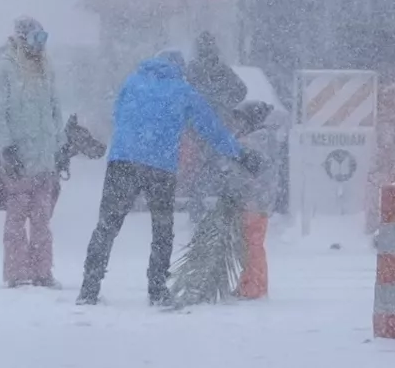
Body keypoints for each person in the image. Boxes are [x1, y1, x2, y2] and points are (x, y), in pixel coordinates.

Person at [76, 50, 261, 307]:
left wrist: (133, 141)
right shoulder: (182, 89)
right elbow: (210, 128)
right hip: (160, 166)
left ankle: (88, 288)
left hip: (122, 161)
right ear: (178, 68)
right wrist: (239, 154)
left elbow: (117, 114)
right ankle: (157, 289)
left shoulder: (132, 81)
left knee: (106, 226)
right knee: (162, 229)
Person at [0, 17, 67, 289]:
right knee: (16, 219)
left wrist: (60, 145)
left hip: (44, 158)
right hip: (19, 158)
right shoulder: (6, 69)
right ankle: (16, 272)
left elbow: (55, 110)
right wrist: (6, 147)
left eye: (43, 38)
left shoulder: (46, 68)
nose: (40, 45)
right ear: (22, 38)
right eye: (36, 38)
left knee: (42, 219)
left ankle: (42, 271)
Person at [183, 32, 247, 223]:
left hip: (196, 125)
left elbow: (184, 93)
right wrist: (224, 103)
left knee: (198, 164)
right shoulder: (221, 69)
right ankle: (223, 207)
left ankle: (197, 206)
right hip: (218, 123)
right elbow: (241, 90)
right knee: (218, 163)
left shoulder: (192, 70)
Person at [230, 102, 283, 300]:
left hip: (253, 201)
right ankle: (250, 283)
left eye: (242, 119)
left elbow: (244, 173)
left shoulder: (252, 142)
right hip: (258, 200)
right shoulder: (265, 139)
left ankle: (254, 286)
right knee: (250, 244)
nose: (238, 123)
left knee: (251, 244)